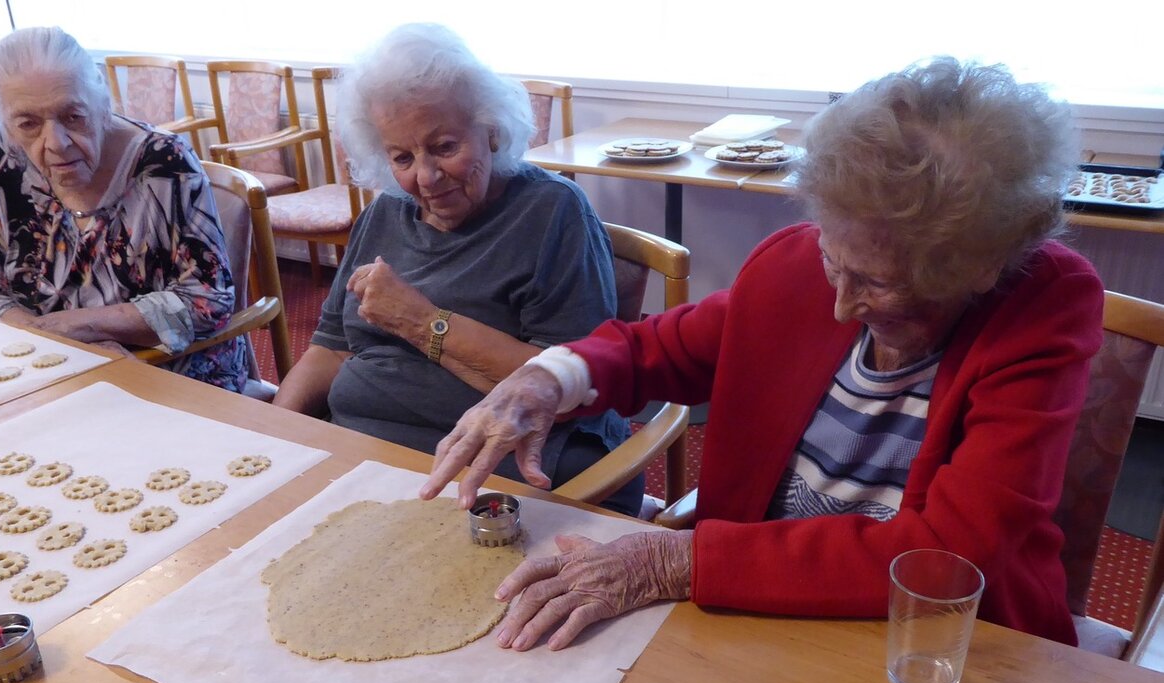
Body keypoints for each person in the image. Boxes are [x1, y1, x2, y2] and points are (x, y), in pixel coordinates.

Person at [422, 57, 1104, 652]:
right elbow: (656, 349)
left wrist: (679, 562)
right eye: (835, 261)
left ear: (980, 266)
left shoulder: (1045, 306)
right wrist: (547, 376)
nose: (840, 303)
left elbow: (944, 555)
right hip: (761, 611)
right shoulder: (798, 263)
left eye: (875, 284)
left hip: (945, 639)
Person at [272, 23, 641, 516]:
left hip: (502, 466)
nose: (425, 177)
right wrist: (274, 436)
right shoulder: (384, 214)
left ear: (491, 131)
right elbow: (330, 348)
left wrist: (422, 322)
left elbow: (569, 389)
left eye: (444, 147)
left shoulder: (553, 212)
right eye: (402, 157)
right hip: (364, 449)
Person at [0, 27, 247, 391]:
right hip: (48, 368)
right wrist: (52, 341)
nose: (56, 143)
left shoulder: (163, 163)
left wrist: (84, 326)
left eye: (73, 116)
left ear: (101, 104)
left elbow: (208, 301)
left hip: (171, 370)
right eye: (28, 123)